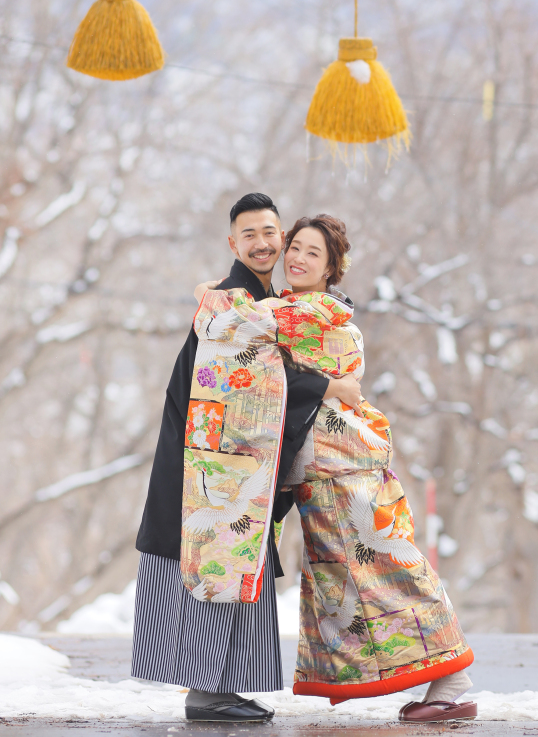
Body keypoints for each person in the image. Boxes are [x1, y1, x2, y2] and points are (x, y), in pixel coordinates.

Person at [192, 213, 477, 724]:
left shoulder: (312, 311)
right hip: (326, 467)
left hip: (341, 466)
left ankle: (452, 682)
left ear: (331, 268)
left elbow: (230, 324)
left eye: (312, 253)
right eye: (295, 248)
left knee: (388, 565)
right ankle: (441, 683)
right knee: (350, 577)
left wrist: (211, 292)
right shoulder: (301, 308)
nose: (298, 258)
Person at [131, 193, 363, 722]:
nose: (263, 243)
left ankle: (222, 687)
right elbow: (255, 380)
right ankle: (206, 692)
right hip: (209, 456)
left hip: (232, 456)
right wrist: (330, 386)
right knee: (214, 563)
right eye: (250, 234)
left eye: (270, 233)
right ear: (233, 243)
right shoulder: (233, 297)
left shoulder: (255, 298)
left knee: (237, 565)